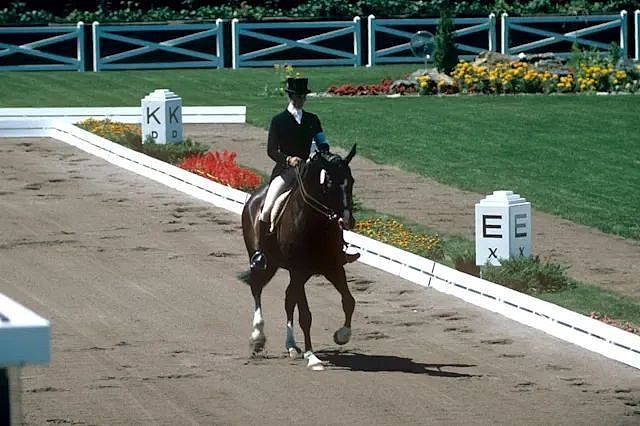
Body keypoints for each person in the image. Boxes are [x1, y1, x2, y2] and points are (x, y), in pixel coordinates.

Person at [250, 77, 359, 271]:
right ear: (291, 97)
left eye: (304, 97)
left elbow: (322, 142)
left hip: (308, 170)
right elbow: (271, 150)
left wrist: (323, 154)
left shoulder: (312, 119)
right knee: (267, 209)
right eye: (299, 96)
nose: (302, 100)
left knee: (331, 203)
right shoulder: (278, 121)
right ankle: (261, 251)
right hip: (285, 172)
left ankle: (339, 247)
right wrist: (288, 159)